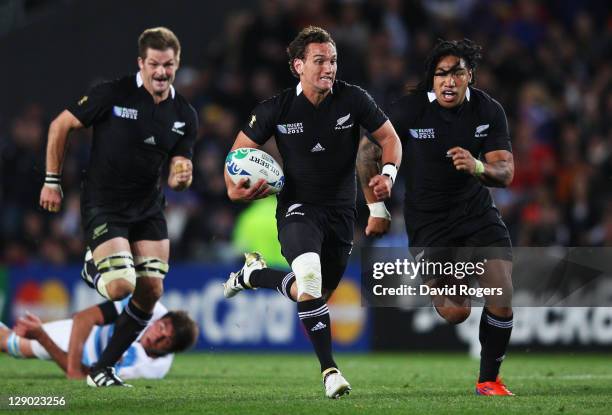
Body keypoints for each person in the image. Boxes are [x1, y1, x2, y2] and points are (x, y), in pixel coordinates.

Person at [223, 26, 402, 399]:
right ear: (298, 66)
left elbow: (389, 139)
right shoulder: (276, 109)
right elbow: (234, 160)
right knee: (308, 280)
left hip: (340, 214)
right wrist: (235, 188)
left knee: (316, 294)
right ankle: (330, 371)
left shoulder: (353, 100)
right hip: (297, 208)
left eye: (332, 61)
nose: (329, 68)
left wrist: (387, 175)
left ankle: (256, 275)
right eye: (319, 61)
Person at [38, 27, 197, 387]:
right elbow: (61, 125)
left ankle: (102, 369)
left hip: (148, 209)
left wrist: (181, 176)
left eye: (168, 65)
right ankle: (93, 266)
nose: (161, 72)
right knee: (121, 287)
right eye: (154, 64)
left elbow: (179, 165)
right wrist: (51, 180)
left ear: (177, 64)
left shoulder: (185, 113)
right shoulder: (113, 93)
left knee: (152, 291)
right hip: (105, 205)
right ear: (141, 63)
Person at [357, 39, 515, 396]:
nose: (449, 81)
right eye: (441, 74)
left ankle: (488, 380)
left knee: (502, 290)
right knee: (457, 312)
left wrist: (477, 166)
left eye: (457, 72)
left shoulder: (488, 111)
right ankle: (434, 280)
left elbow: (505, 173)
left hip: (476, 213)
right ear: (432, 80)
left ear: (469, 75)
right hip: (430, 223)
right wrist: (378, 207)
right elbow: (367, 151)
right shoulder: (410, 110)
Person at [0, 301, 198, 382]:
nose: (156, 336)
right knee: (8, 342)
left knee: (9, 345)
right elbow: (85, 318)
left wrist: (43, 337)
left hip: (88, 355)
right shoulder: (149, 305)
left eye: (166, 341)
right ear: (160, 319)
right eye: (161, 327)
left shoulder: (148, 367)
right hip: (88, 333)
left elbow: (87, 375)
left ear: (171, 350)